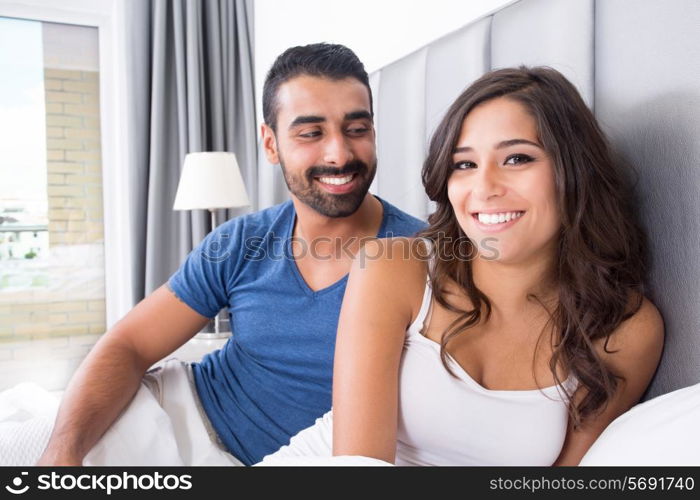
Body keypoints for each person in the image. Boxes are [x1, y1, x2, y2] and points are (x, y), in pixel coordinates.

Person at [36, 43, 425, 467]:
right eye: (310, 133)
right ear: (271, 144)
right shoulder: (239, 241)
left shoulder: (425, 258)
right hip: (177, 417)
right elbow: (128, 345)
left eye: (356, 129)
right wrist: (61, 457)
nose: (339, 153)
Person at [260, 66, 665, 466]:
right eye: (464, 164)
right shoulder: (394, 268)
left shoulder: (625, 330)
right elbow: (359, 468)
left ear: (573, 171)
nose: (484, 188)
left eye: (517, 158)